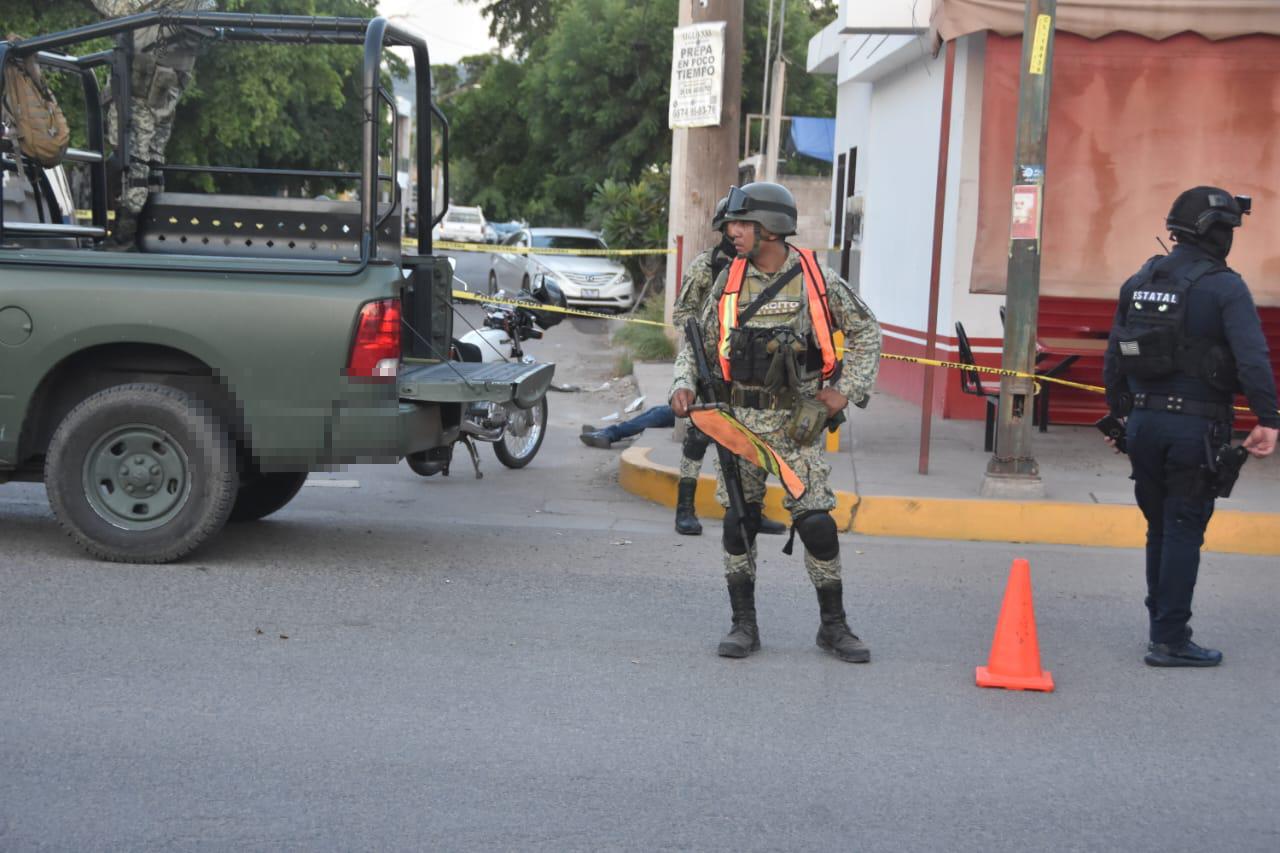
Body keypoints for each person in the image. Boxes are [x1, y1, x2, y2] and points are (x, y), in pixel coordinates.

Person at [670, 181, 882, 662]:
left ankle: (834, 626)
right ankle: (744, 625)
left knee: (818, 526)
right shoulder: (726, 280)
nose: (732, 231)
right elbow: (696, 341)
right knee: (736, 523)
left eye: (742, 223)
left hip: (795, 424)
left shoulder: (815, 278)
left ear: (771, 227)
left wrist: (843, 391)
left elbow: (868, 331)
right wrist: (681, 386)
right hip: (737, 421)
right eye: (731, 224)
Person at [1103, 186, 1278, 668]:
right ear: (1215, 232)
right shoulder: (1224, 286)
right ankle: (1170, 639)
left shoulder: (1141, 278)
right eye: (1229, 230)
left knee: (1159, 526)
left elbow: (1115, 352)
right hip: (1194, 428)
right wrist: (1269, 418)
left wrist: (1118, 413)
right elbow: (1253, 358)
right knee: (1182, 528)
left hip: (1143, 424)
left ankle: (1162, 622)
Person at [91, 0, 212, 247]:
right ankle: (151, 232)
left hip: (141, 83)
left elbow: (120, 9)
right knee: (153, 161)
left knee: (135, 160)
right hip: (166, 87)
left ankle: (126, 236)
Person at [579, 405, 786, 535]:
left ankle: (752, 512)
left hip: (748, 406)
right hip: (716, 396)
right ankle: (685, 509)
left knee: (661, 413)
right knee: (673, 421)